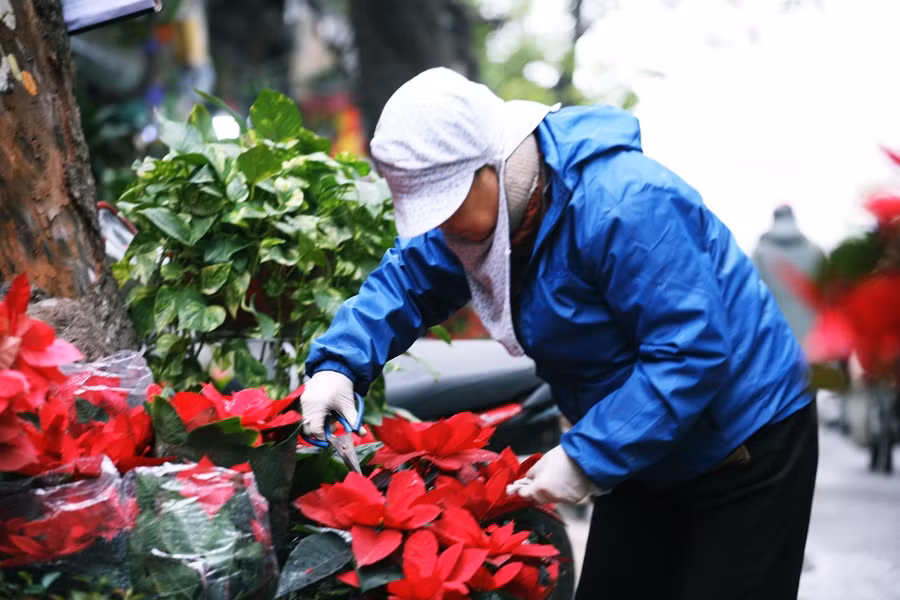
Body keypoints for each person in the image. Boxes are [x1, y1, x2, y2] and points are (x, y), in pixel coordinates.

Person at [299, 67, 817, 600]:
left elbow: (688, 352)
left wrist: (585, 457)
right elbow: (409, 280)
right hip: (637, 438)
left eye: (449, 203)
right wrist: (340, 364)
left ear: (491, 165)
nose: (441, 224)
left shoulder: (624, 202)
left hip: (742, 440)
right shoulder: (479, 220)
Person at [752, 204, 826, 345]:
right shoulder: (816, 251)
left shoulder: (760, 253)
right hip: (813, 341)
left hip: (776, 340)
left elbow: (753, 297)